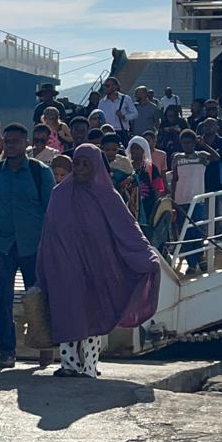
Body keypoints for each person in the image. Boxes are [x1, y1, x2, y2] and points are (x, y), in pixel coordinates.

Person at [37, 144, 161, 378]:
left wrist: (147, 256)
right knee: (68, 313)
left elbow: (128, 229)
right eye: (78, 164)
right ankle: (69, 364)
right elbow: (49, 232)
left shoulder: (108, 196)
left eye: (87, 164)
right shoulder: (60, 193)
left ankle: (90, 366)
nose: (81, 169)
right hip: (67, 266)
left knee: (94, 315)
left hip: (99, 266)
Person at [0, 123, 55, 369]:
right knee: (2, 299)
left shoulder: (40, 172)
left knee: (38, 299)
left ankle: (45, 349)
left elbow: (51, 210)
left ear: (26, 144)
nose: (10, 145)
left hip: (33, 245)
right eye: (7, 141)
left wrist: (49, 243)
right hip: (2, 245)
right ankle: (7, 351)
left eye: (16, 141)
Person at [171, 130, 212, 272]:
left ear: (194, 143)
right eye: (184, 142)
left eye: (189, 142)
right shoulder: (177, 158)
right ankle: (191, 263)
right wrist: (172, 199)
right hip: (181, 199)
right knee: (185, 232)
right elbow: (174, 179)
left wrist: (204, 145)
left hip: (197, 200)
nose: (187, 145)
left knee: (198, 230)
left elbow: (217, 157)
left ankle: (200, 257)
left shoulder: (202, 156)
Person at [128, 136, 169, 250]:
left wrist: (157, 209)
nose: (135, 151)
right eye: (133, 148)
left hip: (148, 208)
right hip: (131, 208)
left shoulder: (151, 168)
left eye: (138, 148)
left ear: (144, 150)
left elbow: (158, 189)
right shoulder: (126, 168)